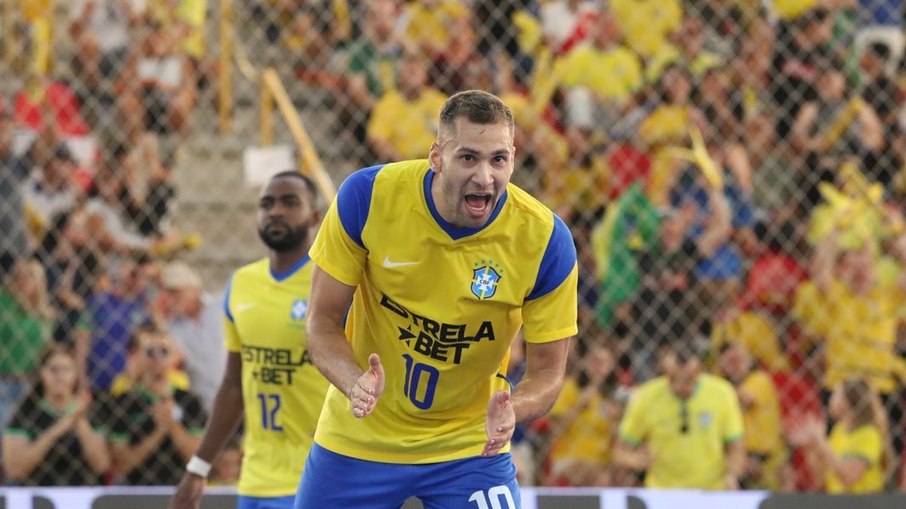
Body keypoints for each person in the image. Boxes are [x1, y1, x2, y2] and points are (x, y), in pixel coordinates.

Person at [295, 90, 578, 508]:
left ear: (514, 159)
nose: (485, 176)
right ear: (436, 156)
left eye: (498, 159)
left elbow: (549, 373)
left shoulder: (545, 241)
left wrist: (513, 409)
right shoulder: (368, 197)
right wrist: (354, 382)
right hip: (362, 436)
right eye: (468, 158)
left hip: (469, 445)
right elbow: (321, 323)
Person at [169, 171, 330, 509]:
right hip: (256, 480)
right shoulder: (242, 283)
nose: (275, 211)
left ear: (314, 216)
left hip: (318, 477)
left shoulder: (332, 284)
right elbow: (233, 384)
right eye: (266, 204)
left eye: (290, 202)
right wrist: (198, 468)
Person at [614, 343, 746, 489]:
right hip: (662, 492)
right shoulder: (646, 397)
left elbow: (736, 448)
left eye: (688, 379)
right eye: (674, 378)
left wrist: (732, 476)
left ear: (699, 371)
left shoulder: (722, 393)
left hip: (710, 492)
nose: (681, 386)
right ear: (665, 372)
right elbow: (619, 451)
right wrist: (634, 460)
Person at [2, 344, 111, 486]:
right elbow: (14, 470)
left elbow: (102, 466)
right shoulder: (25, 414)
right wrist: (59, 428)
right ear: (42, 373)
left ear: (76, 374)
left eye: (66, 370)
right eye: (54, 370)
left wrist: (78, 420)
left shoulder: (91, 413)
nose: (60, 376)